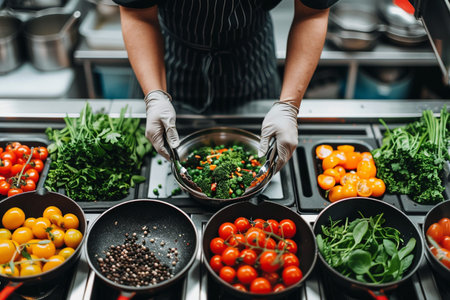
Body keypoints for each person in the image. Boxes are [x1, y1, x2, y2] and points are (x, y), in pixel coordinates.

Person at [113, 0, 337, 173]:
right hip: (168, 58)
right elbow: (137, 13)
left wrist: (289, 105)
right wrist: (154, 95)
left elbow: (312, 12)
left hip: (251, 60)